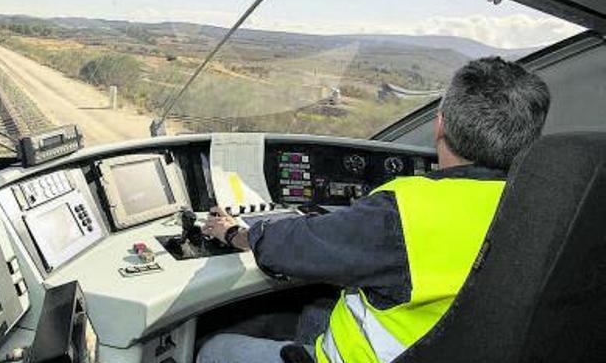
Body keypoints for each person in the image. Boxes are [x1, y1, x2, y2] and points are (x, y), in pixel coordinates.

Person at [197, 57, 551, 363]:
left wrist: (234, 232)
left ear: (439, 124)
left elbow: (292, 249)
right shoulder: (543, 208)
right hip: (443, 346)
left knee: (215, 349)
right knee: (317, 309)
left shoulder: (407, 208)